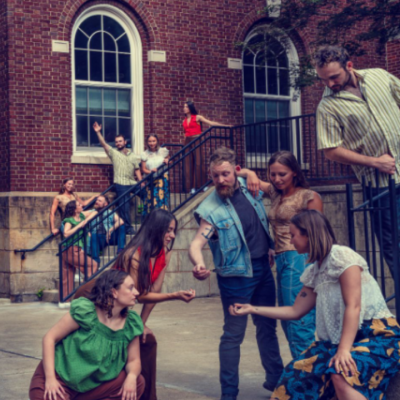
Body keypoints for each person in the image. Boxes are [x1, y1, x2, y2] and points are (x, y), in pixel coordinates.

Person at [230, 210, 400, 400]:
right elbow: (295, 311)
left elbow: (354, 306)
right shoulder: (315, 271)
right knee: (294, 377)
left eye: (293, 235)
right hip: (337, 342)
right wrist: (252, 308)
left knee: (341, 371)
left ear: (309, 234)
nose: (291, 241)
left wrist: (344, 351)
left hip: (376, 335)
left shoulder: (342, 256)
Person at [189, 147, 284, 400]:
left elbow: (274, 198)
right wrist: (198, 264)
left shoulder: (247, 184)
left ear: (235, 171)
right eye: (215, 175)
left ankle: (276, 382)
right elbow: (196, 244)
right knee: (233, 335)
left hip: (263, 270)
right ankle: (229, 394)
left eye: (225, 174)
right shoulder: (210, 208)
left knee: (267, 327)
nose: (220, 180)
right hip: (235, 278)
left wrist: (271, 245)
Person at [74, 208, 196, 400]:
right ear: (157, 229)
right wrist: (174, 295)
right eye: (169, 230)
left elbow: (153, 291)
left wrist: (142, 324)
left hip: (119, 304)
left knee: (147, 342)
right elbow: (138, 295)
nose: (172, 235)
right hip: (96, 298)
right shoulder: (134, 255)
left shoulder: (164, 252)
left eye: (174, 230)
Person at [314, 44, 400, 279]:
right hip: (381, 184)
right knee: (395, 247)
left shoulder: (380, 77)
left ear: (349, 65)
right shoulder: (327, 106)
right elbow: (331, 150)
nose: (330, 84)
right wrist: (375, 162)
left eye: (334, 77)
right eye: (324, 79)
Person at [238, 151, 322, 358]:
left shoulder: (308, 197)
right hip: (281, 260)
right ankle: (303, 373)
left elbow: (319, 236)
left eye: (282, 174)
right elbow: (237, 172)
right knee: (288, 321)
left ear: (294, 171)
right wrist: (250, 173)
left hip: (299, 259)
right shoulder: (276, 193)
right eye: (272, 174)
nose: (276, 179)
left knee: (299, 322)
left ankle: (306, 379)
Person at [29, 269, 146, 400]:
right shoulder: (87, 312)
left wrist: (131, 377)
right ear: (114, 292)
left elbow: (134, 360)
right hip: (60, 379)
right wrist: (50, 379)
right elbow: (49, 338)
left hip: (92, 387)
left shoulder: (130, 323)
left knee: (138, 382)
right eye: (131, 288)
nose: (136, 292)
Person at [93, 121, 143, 235]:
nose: (118, 143)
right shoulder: (113, 153)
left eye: (120, 141)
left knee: (147, 194)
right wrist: (98, 132)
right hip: (121, 184)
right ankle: (128, 228)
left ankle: (148, 218)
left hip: (132, 182)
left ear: (125, 142)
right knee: (124, 207)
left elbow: (136, 169)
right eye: (116, 142)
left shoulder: (132, 154)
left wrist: (141, 181)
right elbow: (104, 144)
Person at [183, 101, 229, 193]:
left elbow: (210, 123)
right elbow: (185, 133)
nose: (184, 108)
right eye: (184, 107)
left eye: (186, 107)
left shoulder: (197, 117)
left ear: (190, 108)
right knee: (188, 164)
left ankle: (201, 185)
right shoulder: (183, 121)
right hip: (187, 142)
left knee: (199, 163)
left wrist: (226, 126)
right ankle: (191, 187)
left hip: (196, 139)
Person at [61, 200, 98, 300]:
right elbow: (66, 233)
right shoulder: (69, 220)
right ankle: (83, 290)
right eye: (79, 205)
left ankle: (65, 300)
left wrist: (85, 221)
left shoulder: (81, 216)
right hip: (70, 248)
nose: (81, 205)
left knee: (68, 276)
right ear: (74, 209)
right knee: (93, 265)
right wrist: (79, 226)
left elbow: (94, 212)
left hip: (74, 248)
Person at [89, 195, 126, 264]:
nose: (96, 202)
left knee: (121, 227)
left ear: (105, 204)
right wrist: (87, 232)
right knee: (94, 235)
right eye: (96, 200)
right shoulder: (90, 212)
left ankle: (120, 250)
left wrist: (110, 230)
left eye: (99, 201)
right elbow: (81, 220)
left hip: (109, 237)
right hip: (97, 238)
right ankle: (95, 261)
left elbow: (120, 221)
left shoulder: (110, 212)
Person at [140, 134, 170, 216]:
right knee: (151, 200)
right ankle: (152, 219)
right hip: (150, 179)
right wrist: (150, 171)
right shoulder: (145, 154)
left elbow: (170, 161)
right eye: (150, 141)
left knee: (161, 199)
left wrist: (167, 161)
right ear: (147, 142)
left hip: (162, 178)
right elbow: (143, 169)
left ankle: (162, 218)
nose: (152, 143)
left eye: (153, 141)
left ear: (157, 141)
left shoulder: (163, 151)